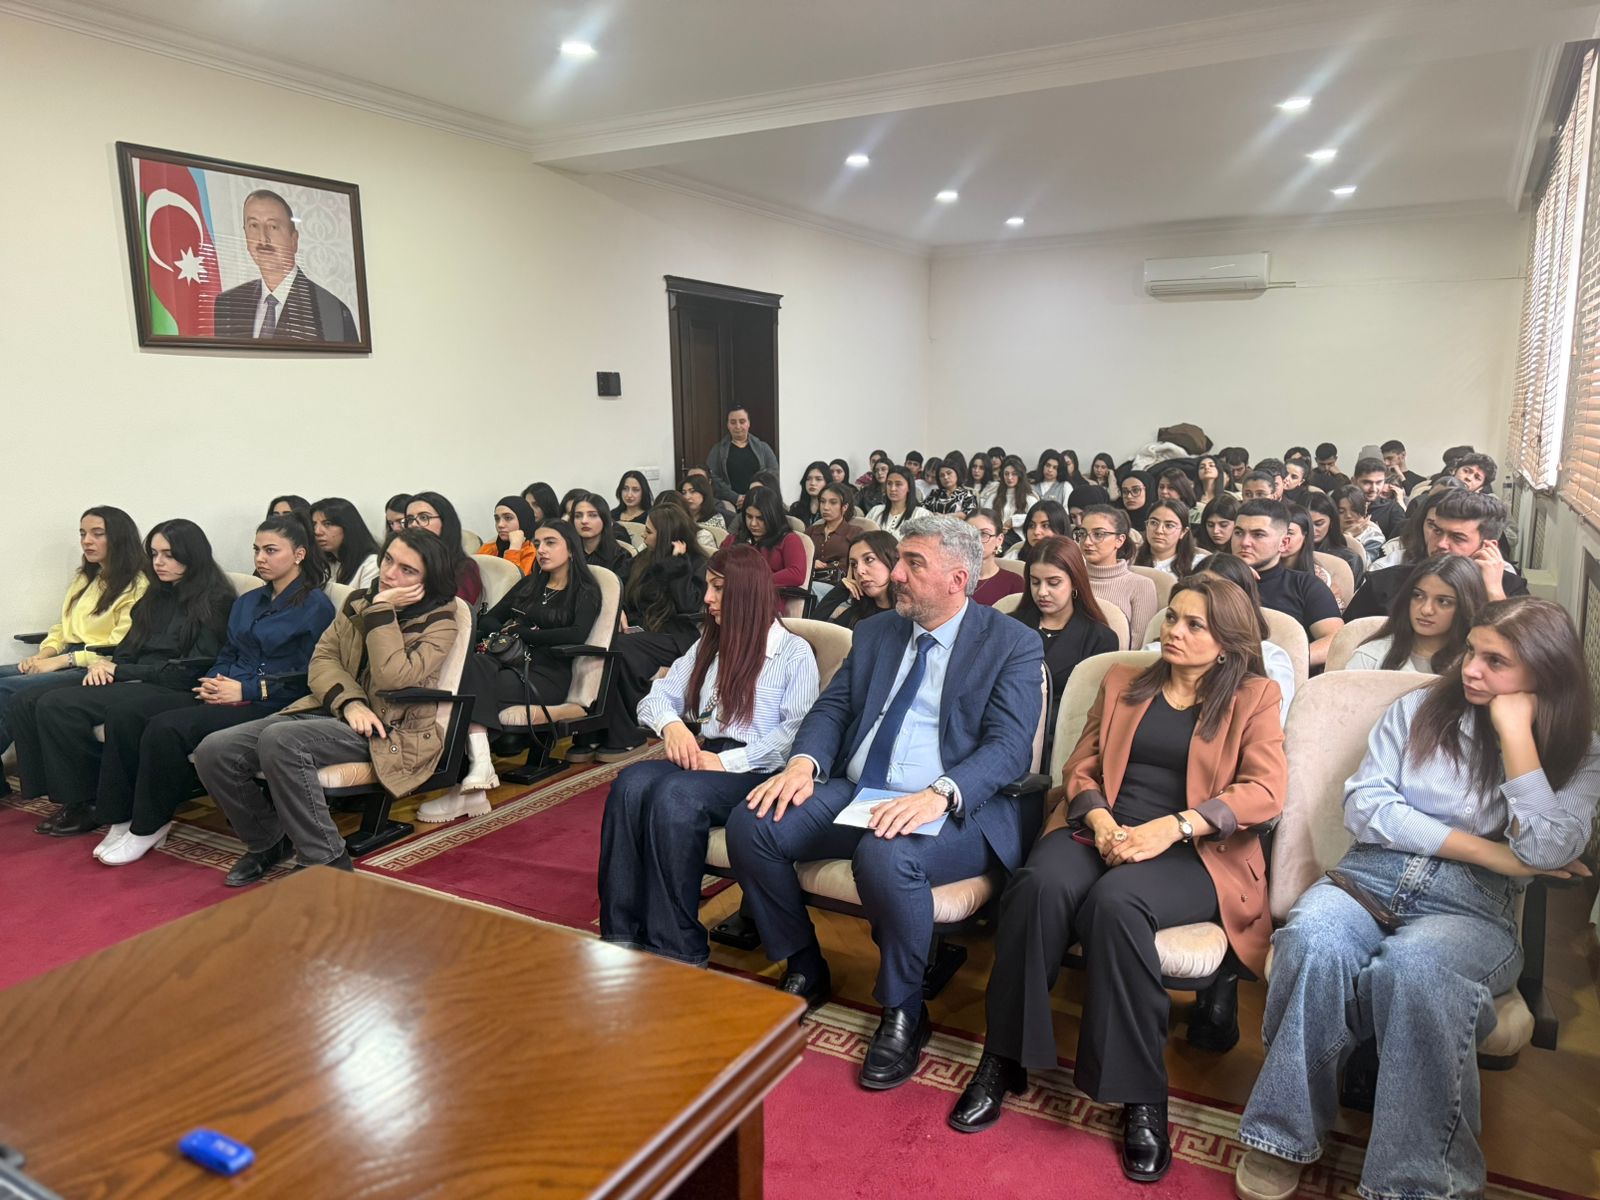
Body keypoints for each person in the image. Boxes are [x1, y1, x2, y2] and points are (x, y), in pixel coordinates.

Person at [1234, 599, 1599, 1200]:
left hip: (1470, 907)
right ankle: (1282, 1135)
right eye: (1472, 650)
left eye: (1496, 661)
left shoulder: (1582, 751)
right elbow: (1367, 806)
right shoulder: (1419, 708)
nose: (1470, 668)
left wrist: (1515, 736)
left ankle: (1418, 1182)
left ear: (1545, 671)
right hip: (1369, 876)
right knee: (1312, 940)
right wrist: (1496, 854)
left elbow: (1548, 846)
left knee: (1416, 969)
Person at [955, 577, 1285, 1183]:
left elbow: (1265, 790)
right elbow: (1080, 767)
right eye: (1172, 617)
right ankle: (1004, 1057)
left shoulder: (1254, 696)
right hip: (1103, 828)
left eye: (1194, 625)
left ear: (1227, 643)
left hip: (1192, 851)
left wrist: (1173, 827)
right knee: (1036, 886)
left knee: (1116, 904)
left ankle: (1141, 1094)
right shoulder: (1124, 681)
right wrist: (1103, 823)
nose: (1173, 631)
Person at [725, 516, 1044, 1089]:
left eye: (912, 564)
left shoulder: (1011, 643)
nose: (894, 574)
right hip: (857, 789)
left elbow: (1009, 748)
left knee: (886, 855)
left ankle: (903, 1010)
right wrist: (804, 763)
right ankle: (804, 963)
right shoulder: (877, 632)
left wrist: (939, 794)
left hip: (954, 806)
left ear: (958, 579)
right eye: (899, 560)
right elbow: (833, 709)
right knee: (754, 823)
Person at [38, 514, 335, 844]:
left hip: (274, 699)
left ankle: (149, 826)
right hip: (227, 689)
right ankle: (120, 816)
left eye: (271, 550)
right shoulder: (249, 601)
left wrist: (246, 689)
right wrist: (212, 681)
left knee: (165, 728)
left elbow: (311, 672)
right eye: (256, 550)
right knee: (133, 716)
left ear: (299, 554)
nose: (260, 558)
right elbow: (228, 652)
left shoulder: (315, 606)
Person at [197, 528, 468, 880]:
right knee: (215, 750)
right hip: (336, 710)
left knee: (281, 741)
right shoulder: (358, 601)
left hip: (391, 728)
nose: (389, 574)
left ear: (428, 579)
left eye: (407, 570)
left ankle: (326, 860)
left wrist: (382, 610)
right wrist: (350, 702)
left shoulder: (441, 620)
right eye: (388, 560)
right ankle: (268, 841)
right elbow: (323, 659)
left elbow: (393, 677)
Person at [599, 545, 821, 964]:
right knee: (630, 784)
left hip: (759, 770)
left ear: (745, 591)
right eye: (708, 587)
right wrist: (672, 725)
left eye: (718, 588)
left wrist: (725, 762)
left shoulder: (794, 653)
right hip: (708, 760)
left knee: (676, 795)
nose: (707, 598)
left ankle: (676, 945)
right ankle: (622, 933)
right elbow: (656, 697)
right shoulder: (710, 644)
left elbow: (795, 735)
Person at [11, 520, 233, 850]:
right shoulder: (156, 595)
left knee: (59, 705)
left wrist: (122, 669)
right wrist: (106, 665)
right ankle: (68, 796)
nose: (158, 562)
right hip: (136, 675)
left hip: (171, 684)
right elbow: (129, 646)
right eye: (154, 554)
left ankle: (88, 801)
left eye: (169, 554)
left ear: (192, 555)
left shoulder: (215, 600)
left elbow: (193, 667)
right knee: (31, 699)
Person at [426, 519, 606, 811]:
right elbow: (488, 620)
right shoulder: (531, 584)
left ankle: (466, 785)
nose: (541, 550)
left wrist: (523, 632)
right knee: (470, 669)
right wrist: (508, 631)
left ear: (571, 549)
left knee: (466, 689)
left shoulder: (585, 590)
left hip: (546, 675)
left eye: (550, 543)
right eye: (538, 543)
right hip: (507, 664)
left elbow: (576, 634)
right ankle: (477, 771)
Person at [0, 506, 148, 783]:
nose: (86, 541)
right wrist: (43, 654)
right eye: (82, 534)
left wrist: (61, 661)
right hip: (64, 657)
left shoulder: (137, 585)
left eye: (97, 533)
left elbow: (121, 645)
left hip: (97, 665)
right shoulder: (86, 578)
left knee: (8, 688)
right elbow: (63, 628)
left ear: (119, 537)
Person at [593, 505, 709, 760]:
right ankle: (599, 730)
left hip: (676, 636)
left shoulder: (696, 562)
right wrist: (620, 610)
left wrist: (677, 565)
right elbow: (620, 589)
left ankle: (628, 733)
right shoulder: (643, 558)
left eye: (649, 532)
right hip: (642, 632)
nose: (643, 536)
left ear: (666, 535)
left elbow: (688, 605)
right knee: (607, 646)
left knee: (621, 648)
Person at [1006, 535, 1118, 757]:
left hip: (1061, 742)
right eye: (1035, 582)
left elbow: (1088, 711)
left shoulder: (1100, 638)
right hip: (1002, 731)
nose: (1042, 592)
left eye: (1053, 583)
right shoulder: (1009, 626)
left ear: (1075, 581)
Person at [1345, 489, 1527, 621]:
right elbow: (1347, 642)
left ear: (1487, 546)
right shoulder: (1384, 584)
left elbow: (1520, 652)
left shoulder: (1509, 589)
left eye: (1457, 537)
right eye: (1437, 531)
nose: (1441, 544)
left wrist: (1494, 593)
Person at [212, 189, 359, 342]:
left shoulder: (330, 310)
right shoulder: (228, 304)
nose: (263, 239)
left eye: (273, 227)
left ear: (294, 240)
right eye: (254, 226)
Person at [1186, 553, 1298, 724]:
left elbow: (1274, 726)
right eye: (1201, 588)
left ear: (1242, 603)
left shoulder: (1270, 659)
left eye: (1221, 593)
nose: (1207, 599)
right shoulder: (1166, 644)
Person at [1231, 499, 1344, 665]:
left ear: (1283, 543)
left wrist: (1281, 663)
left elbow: (1336, 640)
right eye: (1238, 532)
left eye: (1258, 535)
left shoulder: (1306, 586)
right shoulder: (1214, 578)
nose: (1244, 542)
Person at [1345, 554, 1487, 673]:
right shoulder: (1370, 657)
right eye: (1418, 596)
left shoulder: (1478, 666)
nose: (1426, 610)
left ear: (1466, 606)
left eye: (1443, 601)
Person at [1075, 505, 1159, 648]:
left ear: (1119, 540)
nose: (1087, 542)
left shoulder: (1141, 585)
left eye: (1098, 534)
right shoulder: (1071, 579)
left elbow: (1137, 648)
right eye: (1082, 534)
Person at [724, 487, 809, 590]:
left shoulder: (789, 540)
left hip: (769, 595)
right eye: (749, 516)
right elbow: (717, 566)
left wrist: (754, 582)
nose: (753, 524)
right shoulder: (733, 539)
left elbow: (796, 574)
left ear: (773, 516)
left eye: (760, 518)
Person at [405, 493, 482, 606]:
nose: (413, 525)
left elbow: (457, 610)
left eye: (424, 517)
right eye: (410, 519)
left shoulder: (465, 568)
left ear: (445, 522)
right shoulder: (408, 561)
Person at [818, 531, 899, 627]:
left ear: (892, 560)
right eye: (854, 565)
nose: (859, 571)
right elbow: (811, 632)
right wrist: (839, 591)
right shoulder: (857, 614)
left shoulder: (909, 613)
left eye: (868, 559)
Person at [706, 407, 779, 505]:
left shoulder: (763, 448)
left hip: (760, 502)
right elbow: (712, 477)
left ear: (749, 423)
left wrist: (754, 496)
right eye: (733, 422)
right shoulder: (717, 450)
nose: (738, 426)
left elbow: (773, 474)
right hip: (729, 503)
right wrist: (735, 498)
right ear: (728, 425)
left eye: (742, 421)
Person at [311, 498, 381, 588]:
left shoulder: (371, 565)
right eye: (314, 525)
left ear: (348, 527)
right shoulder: (328, 562)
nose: (317, 531)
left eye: (327, 524)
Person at [806, 483, 863, 590]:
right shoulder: (811, 531)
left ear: (845, 507)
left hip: (841, 587)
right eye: (822, 502)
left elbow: (855, 565)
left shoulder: (855, 533)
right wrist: (810, 563)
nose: (826, 507)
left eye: (833, 502)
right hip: (809, 582)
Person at [965, 510, 1026, 606]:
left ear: (999, 540)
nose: (975, 541)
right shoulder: (951, 577)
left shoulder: (1015, 583)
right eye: (969, 534)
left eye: (983, 534)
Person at [1306, 491, 1365, 588]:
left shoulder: (1350, 559)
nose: (1312, 530)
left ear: (1332, 522)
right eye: (1306, 524)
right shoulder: (1288, 553)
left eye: (1319, 524)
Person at [1282, 504, 1339, 598]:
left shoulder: (1319, 578)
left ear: (1305, 536)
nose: (1283, 539)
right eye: (1278, 532)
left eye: (1289, 533)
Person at [572, 492, 634, 576]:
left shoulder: (621, 557)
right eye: (578, 516)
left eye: (592, 515)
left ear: (604, 519)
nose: (584, 521)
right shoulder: (568, 553)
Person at [475, 495, 540, 575]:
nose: (500, 524)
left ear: (523, 520)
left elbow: (511, 580)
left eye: (508, 518)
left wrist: (514, 548)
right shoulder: (490, 548)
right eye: (497, 519)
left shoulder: (534, 555)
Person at [1135, 499, 1202, 575]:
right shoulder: (1130, 558)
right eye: (1153, 523)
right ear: (1146, 525)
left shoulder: (1197, 565)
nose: (1159, 531)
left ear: (1183, 532)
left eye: (1169, 526)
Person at [1351, 457, 1405, 539]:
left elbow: (1399, 542)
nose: (1373, 489)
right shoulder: (1342, 505)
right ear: (1354, 481)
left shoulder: (1393, 509)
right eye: (1367, 482)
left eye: (1379, 482)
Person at [866, 465, 922, 536]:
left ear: (909, 487)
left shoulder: (920, 515)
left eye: (898, 484)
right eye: (889, 483)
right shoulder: (876, 511)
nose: (892, 489)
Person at [992, 455, 1040, 537]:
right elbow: (985, 515)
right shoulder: (994, 496)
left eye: (1014, 474)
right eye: (1006, 474)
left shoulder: (1030, 497)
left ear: (1020, 476)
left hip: (1018, 538)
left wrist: (1013, 521)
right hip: (996, 534)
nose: (1009, 478)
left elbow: (1036, 517)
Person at [680, 476, 727, 541]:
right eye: (684, 493)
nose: (687, 497)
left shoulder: (716, 519)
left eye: (692, 491)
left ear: (704, 493)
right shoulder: (680, 517)